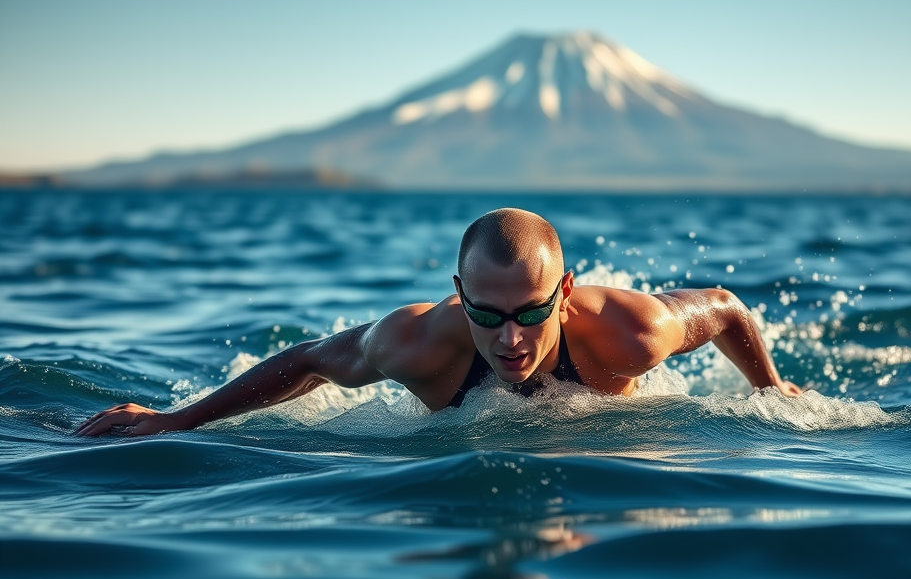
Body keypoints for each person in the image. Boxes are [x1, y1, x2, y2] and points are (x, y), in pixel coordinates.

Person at [75, 208, 801, 437]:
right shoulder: (417, 343)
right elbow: (312, 361)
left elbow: (728, 307)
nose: (510, 339)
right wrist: (178, 420)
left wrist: (771, 389)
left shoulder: (630, 333)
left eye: (531, 313)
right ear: (459, 293)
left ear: (566, 293)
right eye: (486, 314)